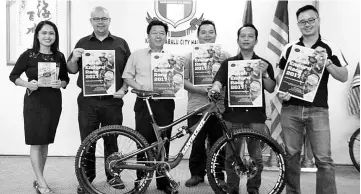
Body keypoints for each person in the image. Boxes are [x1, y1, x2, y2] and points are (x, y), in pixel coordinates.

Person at [277, 5, 348, 194]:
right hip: (290, 108)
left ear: (318, 20)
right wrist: (281, 90)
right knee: (291, 156)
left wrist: (328, 63)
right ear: (298, 24)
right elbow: (280, 75)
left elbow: (343, 76)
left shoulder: (330, 47)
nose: (307, 24)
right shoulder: (290, 47)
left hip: (318, 109)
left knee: (324, 159)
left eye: (311, 20)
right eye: (303, 21)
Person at [66, 6, 131, 194]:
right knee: (88, 141)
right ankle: (87, 178)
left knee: (112, 139)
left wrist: (124, 89)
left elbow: (129, 72)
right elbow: (71, 70)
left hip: (112, 101)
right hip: (88, 101)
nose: (100, 22)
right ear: (91, 21)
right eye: (96, 19)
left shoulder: (121, 43)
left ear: (109, 20)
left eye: (104, 19)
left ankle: (113, 176)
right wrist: (73, 58)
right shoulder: (82, 43)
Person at [209, 24, 276, 194]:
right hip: (233, 117)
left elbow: (270, 88)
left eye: (250, 36)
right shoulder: (228, 63)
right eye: (243, 36)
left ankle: (253, 190)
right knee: (231, 158)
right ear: (237, 40)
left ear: (256, 40)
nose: (246, 39)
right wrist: (215, 88)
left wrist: (265, 74)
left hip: (256, 117)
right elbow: (218, 81)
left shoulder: (264, 64)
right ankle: (233, 190)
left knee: (257, 158)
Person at [9, 20, 69, 194]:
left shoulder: (59, 56)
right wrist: (27, 84)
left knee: (45, 142)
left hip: (53, 102)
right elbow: (13, 76)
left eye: (51, 33)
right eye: (44, 33)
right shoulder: (29, 55)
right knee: (36, 142)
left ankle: (38, 178)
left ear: (55, 36)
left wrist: (61, 82)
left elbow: (66, 78)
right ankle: (41, 182)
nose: (48, 36)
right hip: (34, 102)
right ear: (37, 35)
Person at [122, 20, 178, 194]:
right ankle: (141, 180)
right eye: (154, 32)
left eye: (162, 32)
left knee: (163, 142)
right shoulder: (137, 55)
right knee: (143, 143)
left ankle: (163, 182)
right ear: (148, 36)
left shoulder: (171, 58)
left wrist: (176, 77)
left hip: (165, 103)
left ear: (166, 36)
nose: (158, 35)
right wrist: (140, 88)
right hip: (144, 102)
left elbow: (177, 82)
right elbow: (127, 77)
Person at [182, 20, 230, 187]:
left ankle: (218, 175)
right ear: (198, 36)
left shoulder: (225, 56)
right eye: (204, 32)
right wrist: (201, 90)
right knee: (197, 143)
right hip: (196, 107)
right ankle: (196, 174)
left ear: (215, 35)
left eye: (211, 32)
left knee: (219, 143)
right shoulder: (189, 57)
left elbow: (232, 80)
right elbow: (183, 81)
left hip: (219, 108)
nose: (207, 35)